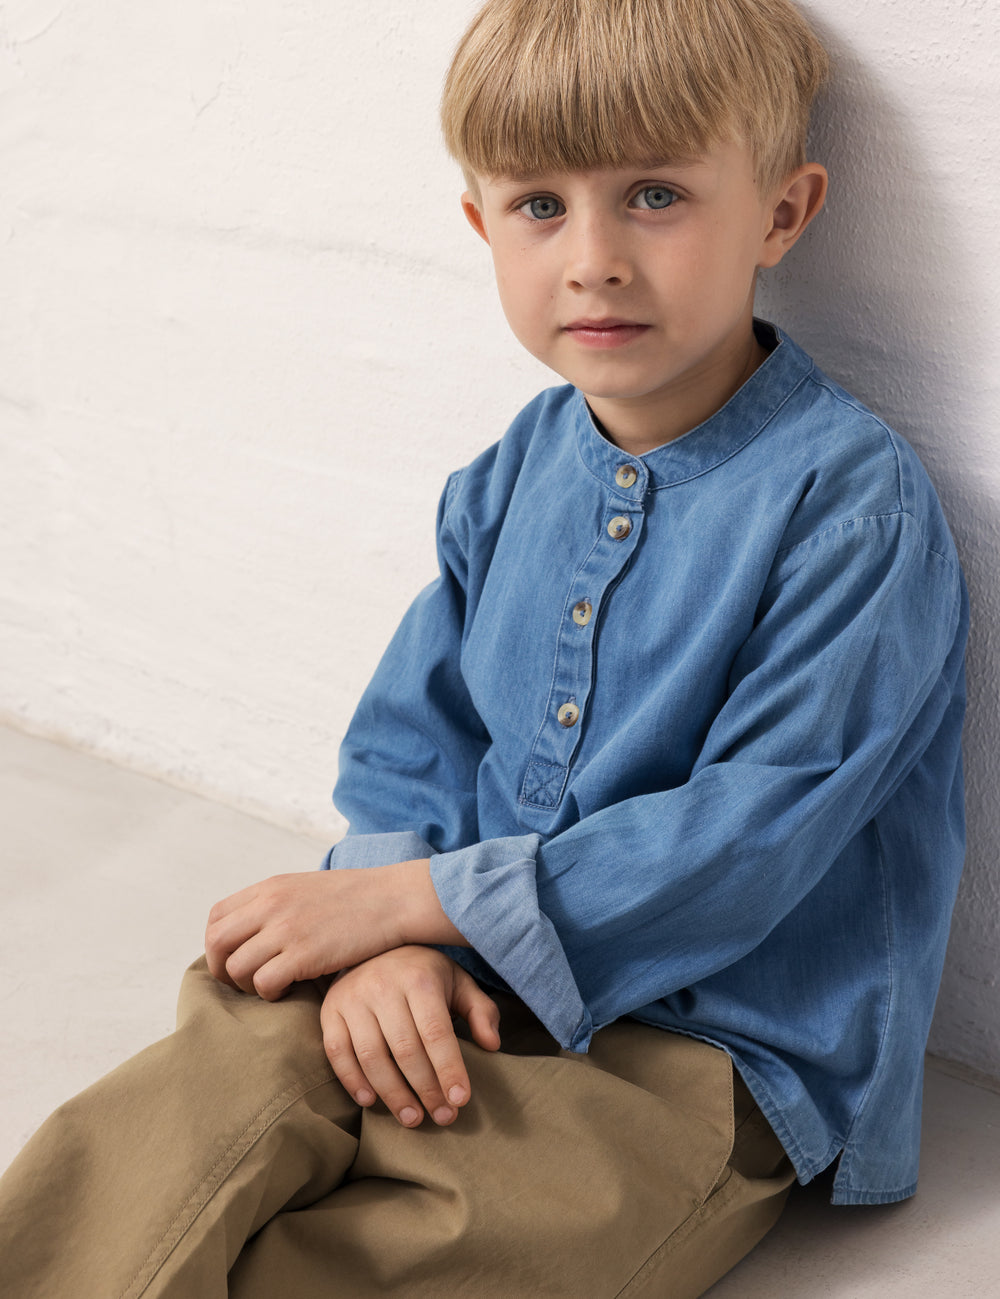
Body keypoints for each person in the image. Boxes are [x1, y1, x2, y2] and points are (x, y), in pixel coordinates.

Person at [0, 0, 968, 1295]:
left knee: (470, 1225)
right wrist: (387, 930)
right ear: (480, 226)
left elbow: (753, 838)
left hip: (696, 1050)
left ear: (783, 214)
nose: (596, 260)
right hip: (453, 945)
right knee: (241, 1037)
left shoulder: (854, 506)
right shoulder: (517, 466)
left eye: (657, 196)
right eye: (540, 208)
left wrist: (421, 906)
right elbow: (420, 723)